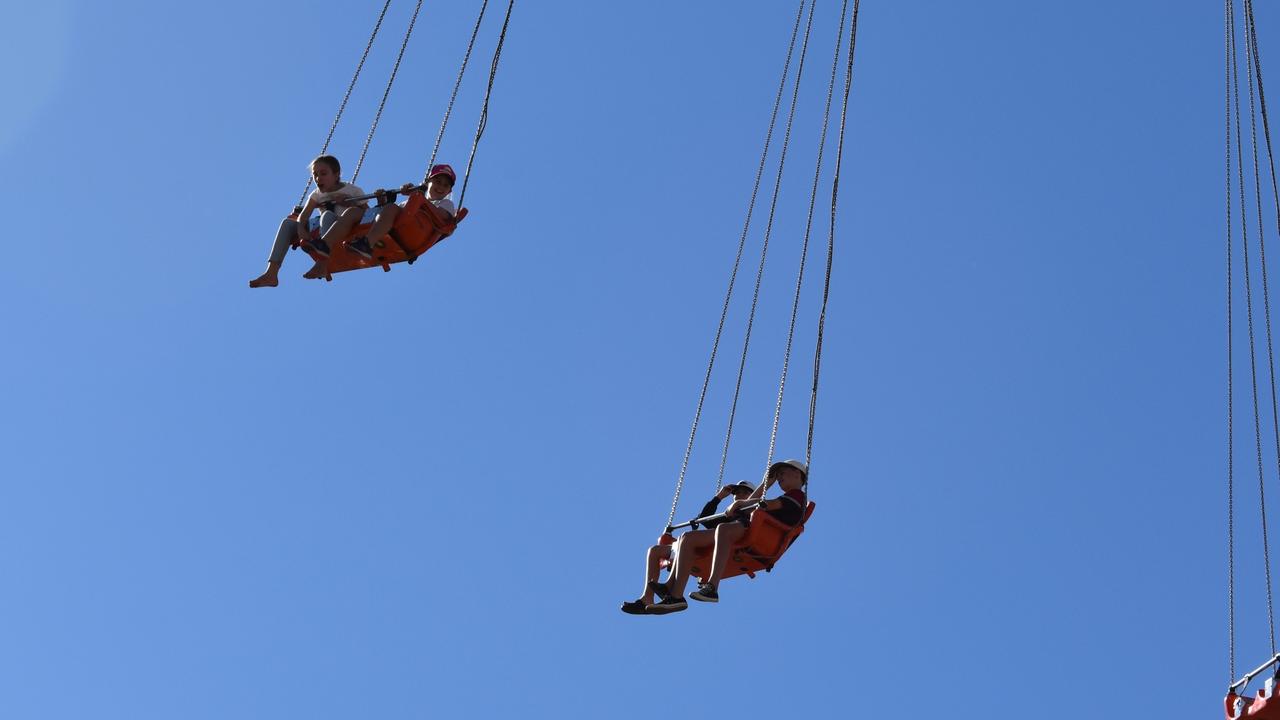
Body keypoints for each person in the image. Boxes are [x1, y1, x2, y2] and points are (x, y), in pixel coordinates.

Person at [652, 459, 808, 610]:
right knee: (687, 538)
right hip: (749, 531)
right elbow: (708, 517)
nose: (779, 477)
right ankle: (675, 594)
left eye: (782, 473)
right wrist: (765, 484)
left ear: (796, 473)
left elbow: (765, 505)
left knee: (723, 529)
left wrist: (740, 503)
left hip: (757, 537)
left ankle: (712, 586)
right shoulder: (787, 497)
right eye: (777, 474)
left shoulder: (797, 496)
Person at [619, 481, 757, 616]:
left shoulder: (751, 510)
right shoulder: (728, 515)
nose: (739, 495)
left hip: (733, 537)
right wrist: (719, 497)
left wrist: (746, 504)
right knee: (655, 551)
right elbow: (704, 518)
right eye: (737, 493)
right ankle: (646, 598)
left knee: (686, 537)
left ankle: (676, 595)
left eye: (745, 492)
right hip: (712, 541)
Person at [249, 155, 369, 288]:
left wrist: (350, 202)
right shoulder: (317, 195)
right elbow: (304, 216)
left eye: (323, 174)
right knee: (288, 223)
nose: (318, 179)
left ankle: (322, 263)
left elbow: (368, 214)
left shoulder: (352, 190)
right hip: (323, 228)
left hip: (345, 228)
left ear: (336, 174)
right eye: (315, 175)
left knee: (327, 215)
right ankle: (271, 273)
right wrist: (301, 229)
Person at [344, 164, 457, 260]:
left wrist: (418, 196)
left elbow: (442, 216)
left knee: (391, 208)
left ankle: (367, 243)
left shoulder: (446, 203)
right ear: (427, 182)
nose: (441, 187)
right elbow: (387, 217)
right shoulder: (408, 203)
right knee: (353, 212)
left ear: (449, 190)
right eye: (437, 181)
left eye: (446, 185)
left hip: (416, 233)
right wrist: (382, 202)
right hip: (403, 226)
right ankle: (330, 241)